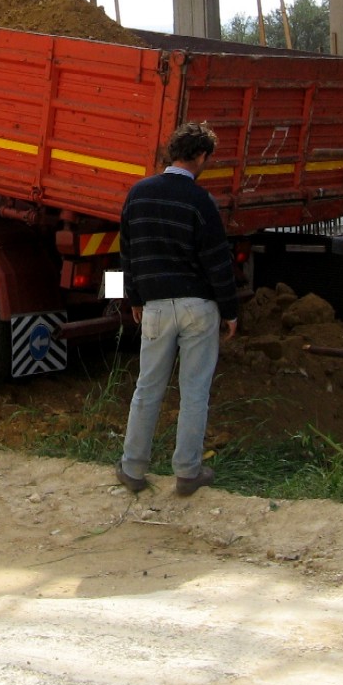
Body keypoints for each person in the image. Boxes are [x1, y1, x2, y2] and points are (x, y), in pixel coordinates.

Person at [115, 121, 240, 497]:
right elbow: (218, 261)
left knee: (147, 388)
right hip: (197, 307)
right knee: (194, 391)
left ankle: (132, 468)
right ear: (200, 156)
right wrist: (231, 311)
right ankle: (188, 471)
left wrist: (133, 298)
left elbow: (127, 254)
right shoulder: (201, 201)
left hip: (153, 306)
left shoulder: (137, 194)